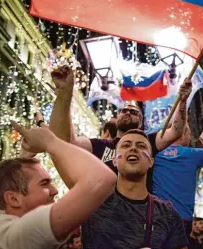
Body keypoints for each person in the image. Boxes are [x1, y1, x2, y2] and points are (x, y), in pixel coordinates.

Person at [0, 122, 116, 249]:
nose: (55, 191)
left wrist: (24, 158)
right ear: (13, 199)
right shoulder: (16, 236)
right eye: (44, 184)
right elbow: (101, 180)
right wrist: (49, 142)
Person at [44, 65, 192, 189]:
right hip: (104, 214)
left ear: (140, 123)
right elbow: (64, 143)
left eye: (133, 112)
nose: (127, 113)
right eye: (124, 111)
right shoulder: (99, 145)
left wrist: (183, 100)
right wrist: (64, 95)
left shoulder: (148, 142)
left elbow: (176, 130)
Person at [80, 129, 190, 249]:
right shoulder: (93, 200)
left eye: (141, 146)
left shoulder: (167, 214)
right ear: (114, 160)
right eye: (126, 145)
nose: (133, 149)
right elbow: (59, 143)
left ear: (151, 162)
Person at [152, 125, 203, 235]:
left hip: (156, 218)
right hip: (182, 219)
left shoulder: (154, 154)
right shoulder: (194, 154)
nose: (190, 138)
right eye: (189, 135)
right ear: (180, 135)